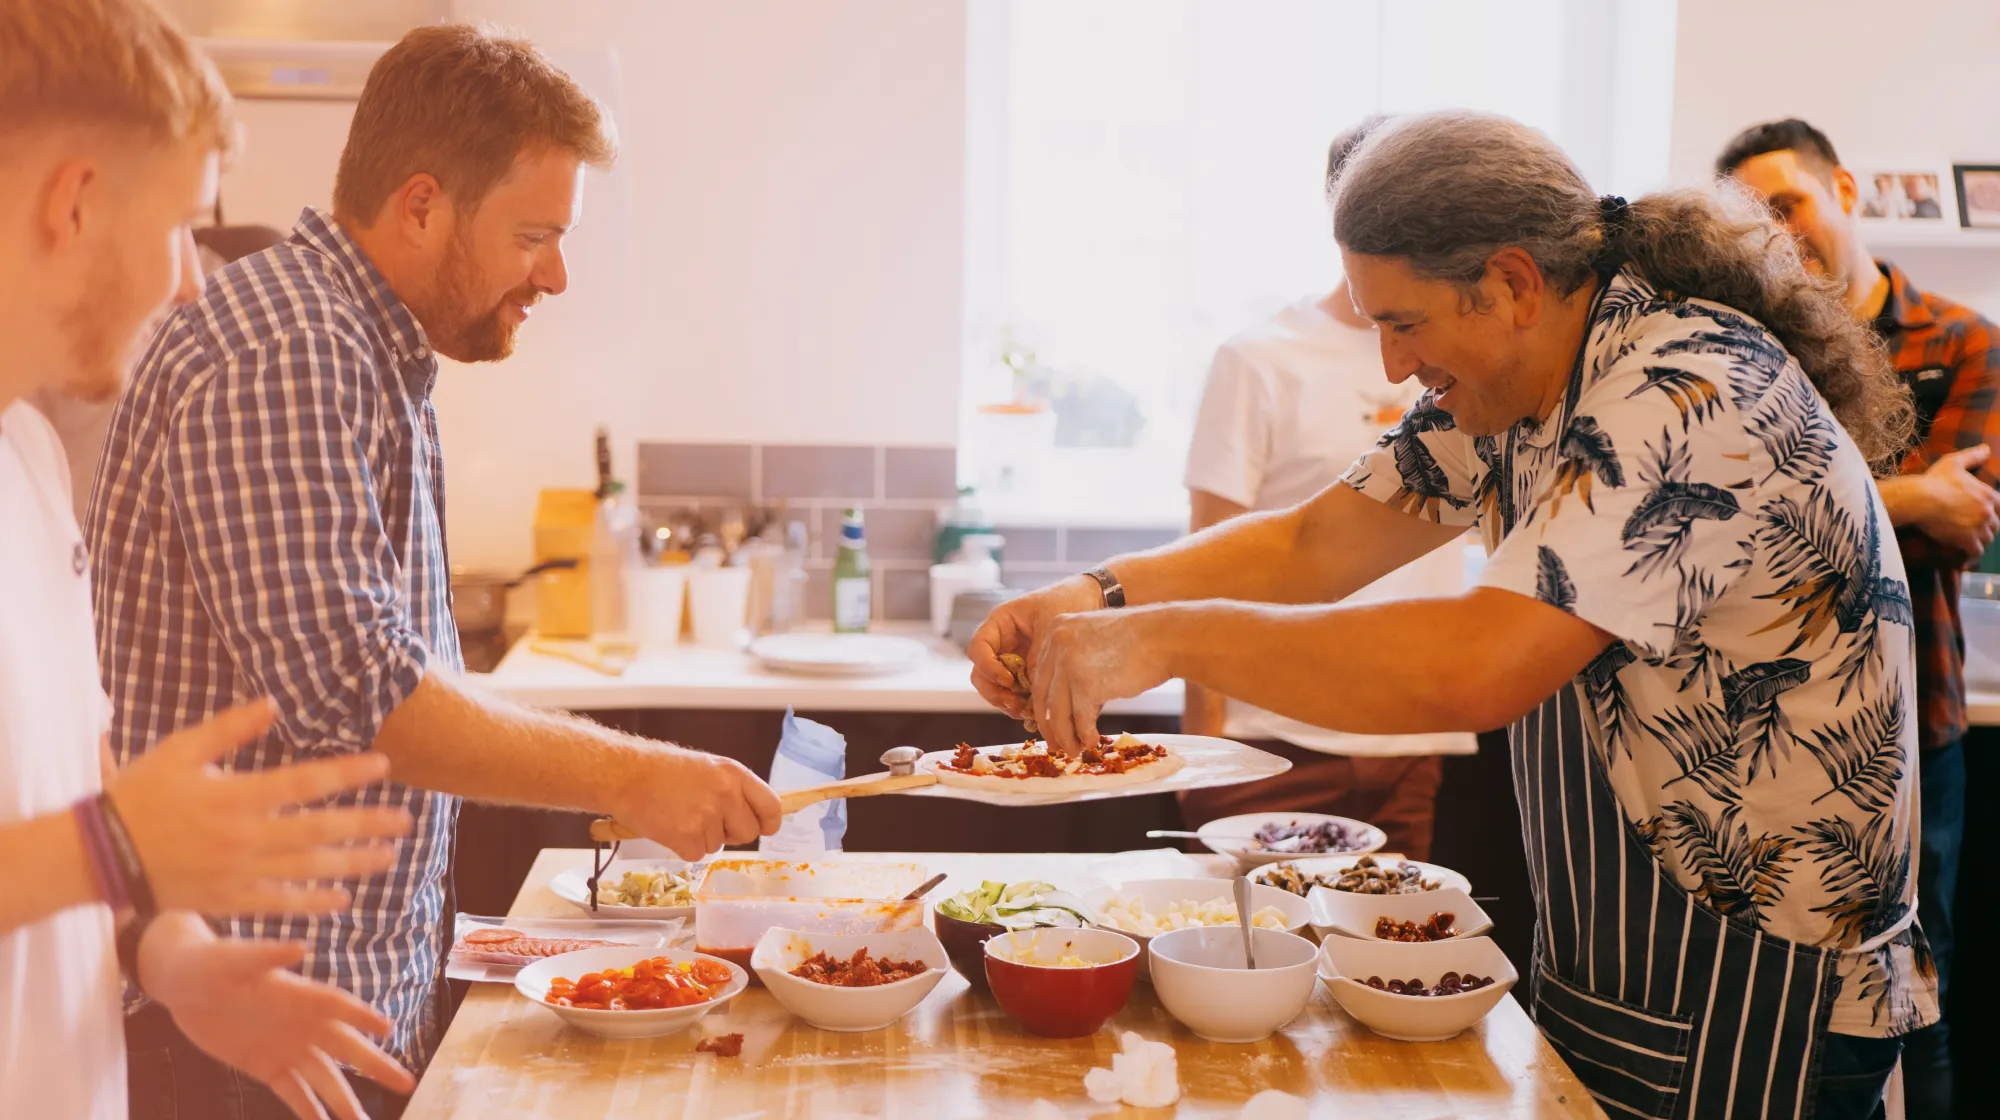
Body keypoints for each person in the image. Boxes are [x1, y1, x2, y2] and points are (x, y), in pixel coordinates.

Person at [972, 110, 1936, 1120]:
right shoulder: (1520, 390)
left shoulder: (1682, 391)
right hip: (1624, 963)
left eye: (1403, 322)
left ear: (1513, 283)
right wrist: (1099, 593)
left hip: (1758, 984)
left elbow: (1475, 663)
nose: (1390, 366)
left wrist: (1159, 640)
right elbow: (1312, 543)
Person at [87, 24, 784, 1117]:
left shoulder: (369, 348)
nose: (555, 273)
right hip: (246, 1040)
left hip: (324, 1016)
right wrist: (629, 774)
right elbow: (364, 698)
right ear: (421, 205)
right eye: (534, 235)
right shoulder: (290, 349)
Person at [1, 1, 427, 1117]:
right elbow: (96, 837)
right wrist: (114, 849)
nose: (194, 280)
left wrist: (175, 958)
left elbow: (72, 810)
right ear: (77, 202)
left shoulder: (30, 461)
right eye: (185, 226)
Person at [1719, 117, 1996, 1120]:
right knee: (1785, 997)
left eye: (1784, 202)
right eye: (1750, 220)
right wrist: (1906, 496)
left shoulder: (1960, 340)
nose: (1774, 234)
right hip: (1766, 732)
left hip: (1908, 719)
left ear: (1840, 188)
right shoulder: (1746, 347)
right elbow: (1740, 517)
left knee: (1912, 990)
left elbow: (1964, 520)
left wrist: (1916, 508)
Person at [1178, 117, 1473, 859]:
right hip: (1274, 741)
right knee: (1253, 960)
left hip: (1411, 737)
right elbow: (1208, 556)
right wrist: (1201, 746)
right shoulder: (1259, 359)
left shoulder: (1466, 361)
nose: (1398, 361)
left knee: (1389, 964)